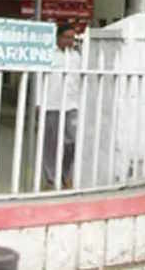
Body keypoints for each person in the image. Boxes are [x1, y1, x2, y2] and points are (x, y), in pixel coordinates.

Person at [39, 21, 81, 189]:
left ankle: (65, 174)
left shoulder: (76, 57)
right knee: (51, 143)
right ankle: (50, 178)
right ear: (58, 37)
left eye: (72, 38)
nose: (70, 41)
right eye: (67, 37)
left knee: (72, 142)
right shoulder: (49, 55)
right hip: (51, 103)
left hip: (71, 105)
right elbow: (40, 79)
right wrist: (39, 102)